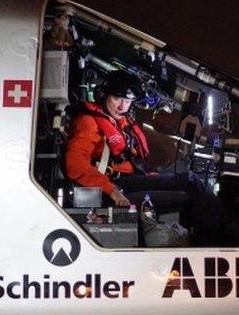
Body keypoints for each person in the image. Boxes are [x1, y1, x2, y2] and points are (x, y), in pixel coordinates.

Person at [63, 70, 227, 244]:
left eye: (127, 101)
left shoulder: (120, 121)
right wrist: (113, 191)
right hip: (112, 187)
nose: (122, 106)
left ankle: (224, 233)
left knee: (189, 179)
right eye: (118, 99)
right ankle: (222, 238)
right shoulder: (88, 121)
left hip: (129, 179)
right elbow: (75, 166)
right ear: (104, 95)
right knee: (187, 196)